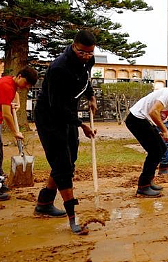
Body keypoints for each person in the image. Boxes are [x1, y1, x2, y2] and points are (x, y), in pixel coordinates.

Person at [33, 30, 97, 235]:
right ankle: (73, 219)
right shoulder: (59, 67)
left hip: (67, 114)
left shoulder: (89, 59)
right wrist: (81, 124)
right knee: (62, 163)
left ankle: (44, 202)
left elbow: (86, 79)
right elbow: (56, 106)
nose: (86, 56)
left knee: (71, 157)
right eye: (82, 53)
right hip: (50, 116)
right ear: (73, 45)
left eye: (90, 53)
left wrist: (91, 96)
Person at [0, 68, 38, 201]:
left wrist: (18, 102)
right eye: (27, 83)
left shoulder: (11, 82)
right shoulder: (5, 85)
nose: (27, 87)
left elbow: (14, 93)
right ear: (20, 76)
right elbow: (6, 114)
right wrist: (15, 132)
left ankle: (0, 182)